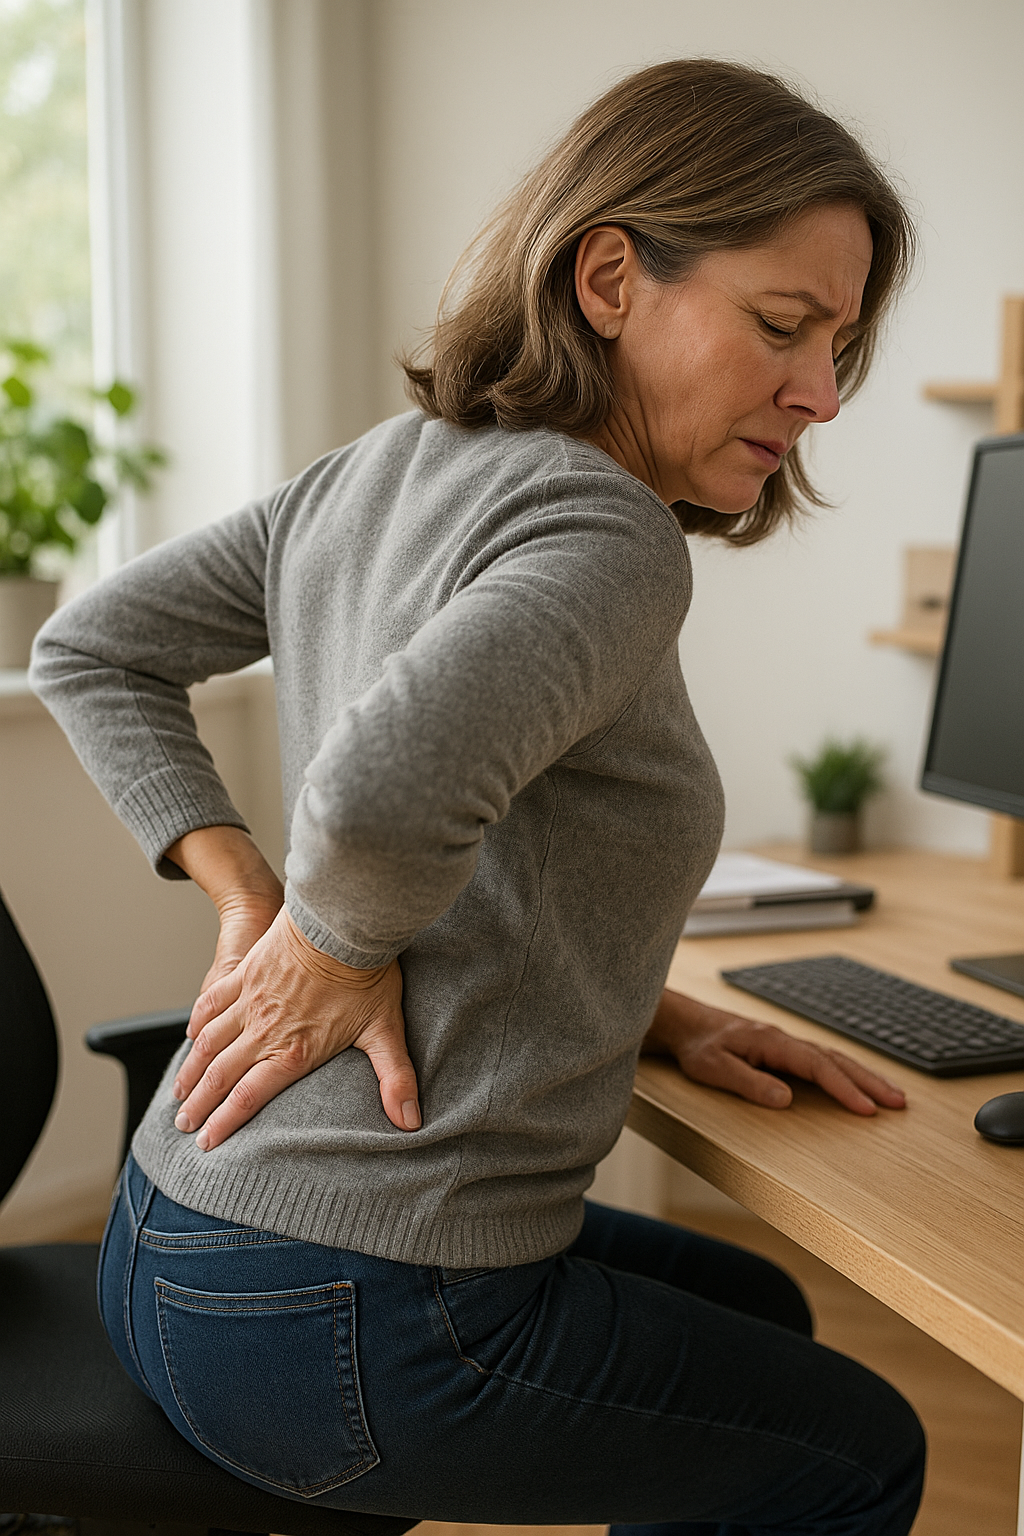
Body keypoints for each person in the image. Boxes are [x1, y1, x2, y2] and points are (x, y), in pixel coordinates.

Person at [31, 58, 925, 1536]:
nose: (821, 394)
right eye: (783, 327)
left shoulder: (378, 471)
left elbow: (92, 647)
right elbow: (383, 796)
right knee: (857, 1452)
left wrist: (648, 1012)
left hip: (175, 1242)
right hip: (343, 1311)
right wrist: (313, 937)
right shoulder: (610, 535)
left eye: (838, 344)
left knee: (755, 1310)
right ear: (611, 278)